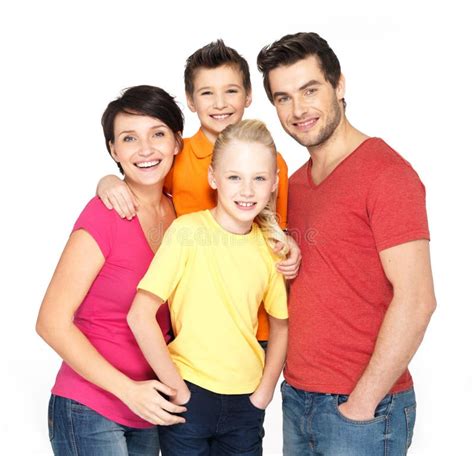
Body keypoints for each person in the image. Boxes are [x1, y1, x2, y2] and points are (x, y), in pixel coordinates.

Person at [257, 32, 437, 455]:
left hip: (361, 410)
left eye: (309, 90)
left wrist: (361, 403)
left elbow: (417, 299)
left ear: (339, 85)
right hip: (298, 398)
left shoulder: (386, 174)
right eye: (283, 98)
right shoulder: (292, 184)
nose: (298, 110)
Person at [96, 40, 301, 348]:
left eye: (231, 91)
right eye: (207, 93)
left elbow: (275, 228)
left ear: (248, 96)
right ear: (191, 101)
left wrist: (290, 243)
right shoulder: (176, 158)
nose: (220, 103)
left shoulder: (272, 162)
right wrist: (109, 179)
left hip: (251, 319)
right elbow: (139, 186)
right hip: (191, 315)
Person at [36, 85, 188, 455]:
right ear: (113, 151)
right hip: (90, 406)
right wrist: (127, 390)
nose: (146, 149)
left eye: (158, 134)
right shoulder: (105, 214)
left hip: (149, 409)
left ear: (177, 143)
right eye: (129, 138)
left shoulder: (182, 217)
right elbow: (51, 322)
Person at [127, 119, 289, 456]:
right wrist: (177, 389)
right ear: (214, 178)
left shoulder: (269, 248)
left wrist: (264, 393)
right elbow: (140, 316)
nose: (247, 191)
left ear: (274, 183)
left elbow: (281, 326)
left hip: (246, 404)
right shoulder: (187, 233)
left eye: (259, 178)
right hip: (189, 397)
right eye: (234, 177)